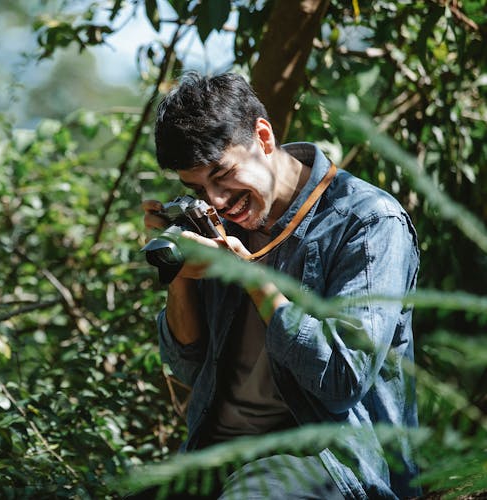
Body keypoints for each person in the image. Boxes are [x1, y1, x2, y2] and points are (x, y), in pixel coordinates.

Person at [142, 72, 420, 499]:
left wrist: (252, 280)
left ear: (264, 136)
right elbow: (187, 367)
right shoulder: (218, 221)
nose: (215, 200)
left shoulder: (368, 222)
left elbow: (342, 379)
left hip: (326, 461)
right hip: (216, 456)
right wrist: (178, 275)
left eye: (222, 173)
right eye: (197, 187)